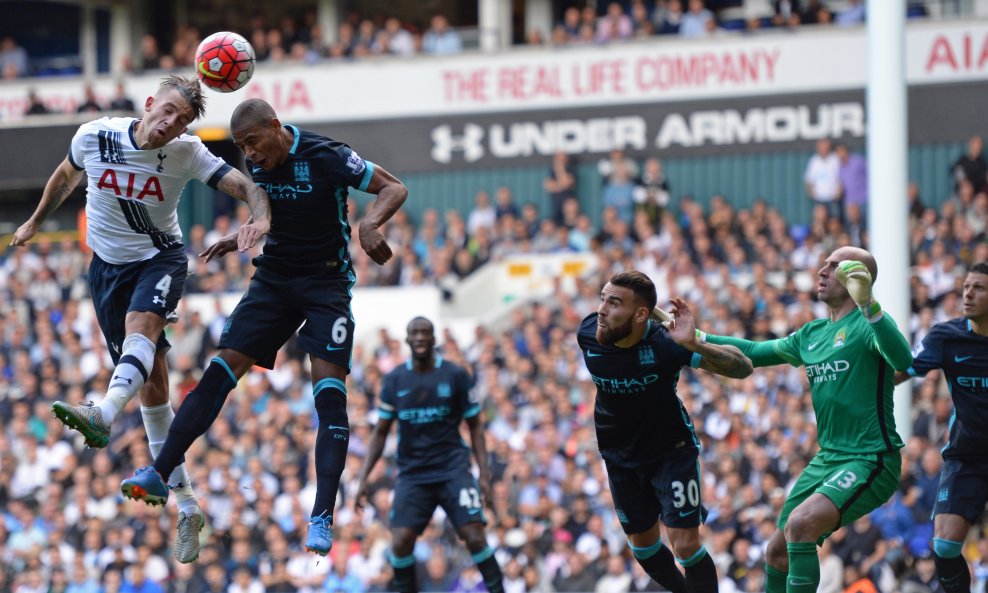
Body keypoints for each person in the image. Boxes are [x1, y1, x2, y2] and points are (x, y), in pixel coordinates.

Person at [119, 97, 408, 557]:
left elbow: (394, 188)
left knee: (330, 396)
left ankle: (322, 515)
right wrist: (243, 234)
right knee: (219, 371)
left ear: (275, 127)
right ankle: (158, 470)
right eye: (241, 147)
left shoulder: (326, 154)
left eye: (252, 142)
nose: (249, 154)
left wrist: (370, 224)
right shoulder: (259, 163)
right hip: (273, 280)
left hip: (326, 282)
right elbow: (270, 214)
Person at [10, 74, 271, 564]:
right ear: (149, 104)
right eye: (167, 112)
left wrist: (259, 216)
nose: (171, 124)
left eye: (182, 121)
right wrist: (35, 222)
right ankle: (188, 508)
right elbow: (65, 175)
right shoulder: (95, 135)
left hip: (161, 258)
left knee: (141, 330)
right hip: (105, 269)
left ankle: (103, 414)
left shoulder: (188, 153)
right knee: (153, 390)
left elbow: (242, 183)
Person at [698, 247, 913, 593]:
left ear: (858, 277)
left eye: (834, 266)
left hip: (871, 458)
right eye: (823, 263)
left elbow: (904, 358)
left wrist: (870, 306)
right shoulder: (810, 335)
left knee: (800, 525)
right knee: (776, 551)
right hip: (827, 459)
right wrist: (696, 340)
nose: (822, 271)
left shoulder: (868, 324)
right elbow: (752, 352)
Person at [577, 271, 754, 593]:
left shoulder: (667, 344)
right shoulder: (589, 332)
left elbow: (742, 368)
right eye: (602, 299)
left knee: (685, 546)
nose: (602, 309)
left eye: (613, 303)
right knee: (643, 548)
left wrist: (694, 344)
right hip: (619, 455)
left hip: (671, 451)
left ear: (641, 313)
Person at [354, 316, 504, 593]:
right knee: (399, 542)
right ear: (408, 340)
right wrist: (363, 476)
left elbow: (475, 426)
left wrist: (484, 473)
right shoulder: (395, 380)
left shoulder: (455, 376)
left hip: (452, 469)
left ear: (434, 340)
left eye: (426, 333)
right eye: (415, 333)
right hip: (413, 474)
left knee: (474, 535)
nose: (421, 337)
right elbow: (380, 432)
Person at [895, 262, 988, 593]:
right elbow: (901, 371)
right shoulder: (946, 336)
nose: (968, 293)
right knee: (945, 546)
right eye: (966, 286)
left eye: (979, 288)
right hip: (966, 456)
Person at [804, 138, 843, 223]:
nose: (823, 149)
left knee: (835, 221)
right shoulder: (814, 161)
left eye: (825, 146)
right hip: (819, 199)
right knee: (819, 222)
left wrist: (839, 193)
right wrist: (811, 193)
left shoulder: (835, 159)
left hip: (833, 198)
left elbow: (841, 177)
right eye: (821, 147)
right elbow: (809, 180)